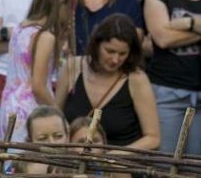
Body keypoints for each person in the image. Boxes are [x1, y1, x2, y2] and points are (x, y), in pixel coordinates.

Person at [58, 14, 159, 149]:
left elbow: (152, 138)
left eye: (123, 54)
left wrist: (117, 155)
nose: (115, 60)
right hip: (74, 161)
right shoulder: (72, 68)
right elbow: (56, 117)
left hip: (118, 164)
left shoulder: (137, 79)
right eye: (110, 51)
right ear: (97, 45)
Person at [141, 0, 201, 155]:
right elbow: (163, 38)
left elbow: (169, 32)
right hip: (168, 92)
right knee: (165, 164)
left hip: (200, 92)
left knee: (195, 170)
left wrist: (187, 23)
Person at [2, 0, 78, 142]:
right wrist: (57, 114)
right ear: (61, 4)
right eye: (71, 6)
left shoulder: (21, 28)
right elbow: (38, 86)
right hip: (30, 109)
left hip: (9, 102)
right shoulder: (45, 36)